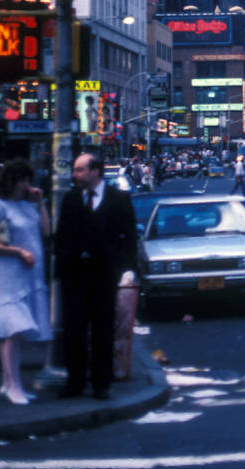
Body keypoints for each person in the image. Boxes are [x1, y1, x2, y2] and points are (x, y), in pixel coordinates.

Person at [54, 153, 137, 400]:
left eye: (80, 170)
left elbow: (129, 237)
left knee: (102, 330)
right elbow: (62, 235)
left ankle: (102, 383)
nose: (75, 175)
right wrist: (63, 264)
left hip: (104, 275)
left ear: (95, 172)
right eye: (75, 170)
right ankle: (75, 382)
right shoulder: (70, 199)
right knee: (74, 330)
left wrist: (126, 268)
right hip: (75, 276)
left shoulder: (118, 199)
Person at [0, 159, 51, 405]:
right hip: (6, 275)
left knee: (15, 335)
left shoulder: (28, 206)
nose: (26, 185)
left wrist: (40, 203)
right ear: (12, 181)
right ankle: (13, 385)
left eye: (28, 180)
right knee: (12, 328)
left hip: (29, 276)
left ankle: (11, 383)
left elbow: (46, 233)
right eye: (23, 180)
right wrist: (18, 252)